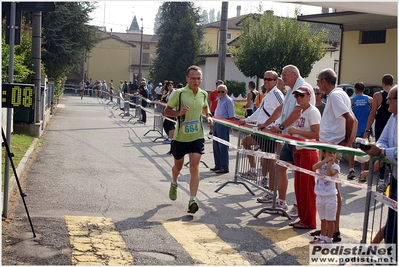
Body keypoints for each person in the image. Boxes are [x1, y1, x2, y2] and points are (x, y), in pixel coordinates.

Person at [256, 65, 315, 214]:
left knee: (300, 174)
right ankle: (282, 202)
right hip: (290, 138)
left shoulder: (303, 88)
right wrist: (266, 124)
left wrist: (281, 127)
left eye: (285, 74)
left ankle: (299, 205)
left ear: (294, 74)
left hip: (300, 139)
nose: (282, 78)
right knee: (280, 166)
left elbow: (297, 112)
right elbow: (281, 109)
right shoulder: (291, 90)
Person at [315, 68, 357, 243]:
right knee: (328, 188)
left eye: (318, 81)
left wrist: (346, 143)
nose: (317, 84)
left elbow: (351, 119)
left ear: (324, 81)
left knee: (332, 189)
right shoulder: (339, 95)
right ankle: (327, 229)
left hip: (331, 147)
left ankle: (334, 231)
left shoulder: (334, 95)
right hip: (329, 146)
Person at [164, 65, 212, 214]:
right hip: (180, 137)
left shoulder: (203, 94)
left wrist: (209, 116)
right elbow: (166, 111)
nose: (196, 81)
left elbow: (205, 107)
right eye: (193, 78)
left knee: (194, 167)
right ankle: (174, 182)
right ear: (187, 79)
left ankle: (192, 199)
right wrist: (179, 113)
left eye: (198, 78)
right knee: (178, 167)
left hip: (197, 135)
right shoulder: (179, 93)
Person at [238, 70, 284, 194]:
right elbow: (259, 112)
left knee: (270, 162)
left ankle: (273, 191)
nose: (266, 81)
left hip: (269, 132)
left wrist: (278, 126)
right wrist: (246, 120)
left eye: (270, 79)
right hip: (261, 131)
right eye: (265, 78)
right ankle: (253, 171)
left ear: (275, 81)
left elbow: (284, 109)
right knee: (245, 142)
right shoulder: (267, 94)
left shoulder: (277, 94)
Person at [361, 85, 397, 246]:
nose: (387, 101)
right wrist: (376, 148)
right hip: (395, 177)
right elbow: (383, 140)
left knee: (394, 220)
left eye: (390, 99)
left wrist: (381, 152)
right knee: (393, 218)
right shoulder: (393, 116)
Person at [286, 86, 320, 229]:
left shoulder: (312, 112)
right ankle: (302, 218)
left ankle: (309, 221)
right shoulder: (302, 111)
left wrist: (296, 131)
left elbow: (317, 134)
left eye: (302, 95)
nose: (299, 98)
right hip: (300, 151)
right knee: (299, 188)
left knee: (307, 189)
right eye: (297, 96)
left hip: (308, 152)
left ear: (308, 96)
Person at [364, 74, 394, 191]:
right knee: (391, 151)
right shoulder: (394, 94)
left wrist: (367, 130)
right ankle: (391, 178)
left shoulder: (378, 95)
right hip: (392, 127)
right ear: (392, 83)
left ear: (383, 83)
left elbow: (372, 114)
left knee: (380, 152)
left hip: (381, 127)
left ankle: (382, 180)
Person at [310, 150, 340, 244]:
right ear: (324, 154)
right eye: (329, 153)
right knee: (323, 219)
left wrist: (330, 163)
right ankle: (322, 237)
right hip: (320, 195)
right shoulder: (321, 164)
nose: (332, 155)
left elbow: (329, 174)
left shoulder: (336, 166)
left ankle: (329, 239)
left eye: (333, 153)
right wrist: (324, 161)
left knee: (330, 220)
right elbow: (314, 167)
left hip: (330, 197)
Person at [347, 82, 372, 181]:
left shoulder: (351, 100)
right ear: (364, 89)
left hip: (354, 129)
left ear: (355, 89)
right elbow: (373, 114)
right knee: (363, 150)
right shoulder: (370, 100)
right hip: (365, 130)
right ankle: (362, 172)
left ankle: (351, 170)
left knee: (351, 150)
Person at [211, 84, 235, 174]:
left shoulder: (228, 100)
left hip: (224, 124)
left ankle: (224, 166)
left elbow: (231, 115)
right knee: (216, 145)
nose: (220, 93)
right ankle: (218, 165)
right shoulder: (219, 100)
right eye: (219, 91)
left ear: (226, 91)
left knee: (223, 146)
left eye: (222, 91)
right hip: (217, 122)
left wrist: (231, 126)